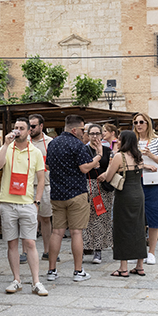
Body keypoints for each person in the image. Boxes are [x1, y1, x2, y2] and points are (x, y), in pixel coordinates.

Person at [0, 117, 46, 295]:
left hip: (27, 203)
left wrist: (37, 201)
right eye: (16, 127)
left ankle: (36, 281)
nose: (17, 131)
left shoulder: (35, 152)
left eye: (22, 128)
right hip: (8, 202)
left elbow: (41, 179)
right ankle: (16, 279)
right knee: (12, 243)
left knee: (30, 242)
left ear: (29, 131)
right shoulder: (7, 148)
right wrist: (5, 145)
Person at [45, 114, 96, 282]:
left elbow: (47, 165)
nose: (84, 132)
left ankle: (52, 270)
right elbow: (84, 168)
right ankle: (78, 271)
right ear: (74, 130)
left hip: (57, 194)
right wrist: (96, 159)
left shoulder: (52, 143)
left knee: (57, 232)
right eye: (82, 129)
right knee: (76, 232)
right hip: (76, 193)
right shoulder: (78, 145)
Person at [98, 130, 150, 276]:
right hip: (138, 194)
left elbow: (109, 177)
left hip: (124, 195)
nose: (118, 141)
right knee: (139, 228)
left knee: (122, 228)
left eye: (120, 139)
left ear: (125, 141)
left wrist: (108, 169)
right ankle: (140, 266)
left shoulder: (119, 156)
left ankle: (123, 267)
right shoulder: (139, 156)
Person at [133, 113, 158, 265]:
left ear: (148, 123)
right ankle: (138, 251)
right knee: (137, 218)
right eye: (135, 122)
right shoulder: (133, 140)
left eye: (141, 122)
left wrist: (152, 156)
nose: (138, 125)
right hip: (136, 182)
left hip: (154, 183)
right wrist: (143, 165)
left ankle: (152, 252)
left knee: (154, 216)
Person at [83, 123, 113, 264]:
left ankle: (98, 249)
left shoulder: (107, 151)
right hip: (86, 185)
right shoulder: (83, 150)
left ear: (102, 135)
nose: (94, 136)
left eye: (97, 133)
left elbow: (112, 167)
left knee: (101, 218)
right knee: (86, 218)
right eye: (92, 133)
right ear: (88, 135)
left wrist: (105, 173)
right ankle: (85, 246)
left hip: (103, 187)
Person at [29, 114, 53, 261]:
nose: (30, 129)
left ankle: (47, 250)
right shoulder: (24, 141)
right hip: (28, 185)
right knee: (28, 219)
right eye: (29, 126)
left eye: (33, 126)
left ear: (41, 126)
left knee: (45, 219)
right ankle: (26, 252)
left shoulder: (50, 142)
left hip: (46, 185)